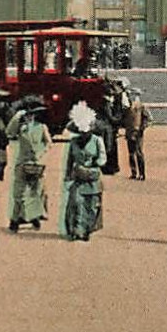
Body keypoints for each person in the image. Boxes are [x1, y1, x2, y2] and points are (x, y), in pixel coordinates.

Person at [63, 102, 106, 242]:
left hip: (93, 178)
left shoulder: (97, 141)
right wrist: (67, 175)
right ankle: (77, 230)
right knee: (76, 204)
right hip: (78, 177)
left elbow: (102, 157)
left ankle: (87, 229)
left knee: (92, 206)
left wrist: (95, 163)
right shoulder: (73, 142)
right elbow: (70, 160)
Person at [7, 97, 52, 231]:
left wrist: (41, 153)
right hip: (22, 162)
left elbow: (48, 143)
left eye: (32, 114)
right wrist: (17, 117)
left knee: (36, 191)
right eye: (27, 115)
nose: (29, 117)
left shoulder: (42, 127)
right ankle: (15, 219)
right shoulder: (21, 128)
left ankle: (34, 217)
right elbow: (9, 132)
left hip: (37, 162)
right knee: (19, 192)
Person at [101, 78, 130, 175]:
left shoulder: (112, 100)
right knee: (109, 146)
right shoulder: (108, 101)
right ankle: (110, 166)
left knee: (110, 146)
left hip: (110, 126)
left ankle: (110, 166)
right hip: (110, 126)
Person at [122, 85, 152, 181]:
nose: (131, 96)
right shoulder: (127, 107)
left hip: (138, 132)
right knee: (131, 153)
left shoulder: (141, 106)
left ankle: (142, 173)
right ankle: (134, 172)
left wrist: (142, 128)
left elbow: (148, 119)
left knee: (139, 153)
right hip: (129, 131)